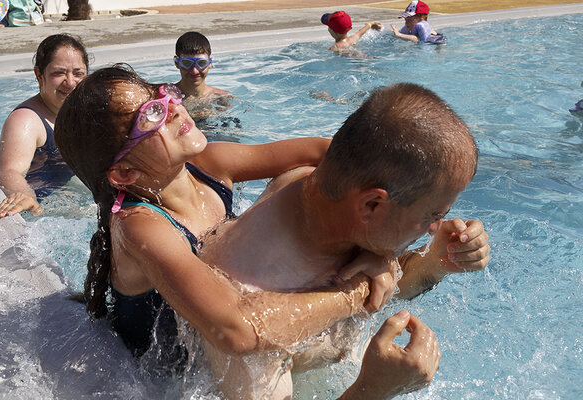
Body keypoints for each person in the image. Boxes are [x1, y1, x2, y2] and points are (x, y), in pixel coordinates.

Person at [54, 65, 440, 399]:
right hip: (171, 377)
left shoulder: (208, 164)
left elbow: (335, 157)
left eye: (162, 95)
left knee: (314, 200)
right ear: (124, 174)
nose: (173, 109)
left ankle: (422, 267)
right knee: (264, 357)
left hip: (219, 332)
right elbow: (234, 331)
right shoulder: (139, 225)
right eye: (151, 115)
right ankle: (373, 373)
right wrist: (353, 293)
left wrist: (389, 232)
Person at [199, 83, 490, 399]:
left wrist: (436, 262)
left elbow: (381, 288)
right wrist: (372, 390)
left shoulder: (335, 198)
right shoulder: (252, 310)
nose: (436, 227)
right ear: (372, 205)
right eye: (432, 214)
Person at [0, 33, 89, 219]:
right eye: (59, 73)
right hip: (43, 207)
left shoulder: (84, 112)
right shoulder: (26, 120)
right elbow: (8, 173)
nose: (70, 82)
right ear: (39, 75)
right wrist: (29, 200)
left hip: (67, 196)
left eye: (78, 74)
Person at [173, 31, 232, 121]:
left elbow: (231, 127)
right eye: (187, 63)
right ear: (177, 63)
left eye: (201, 63)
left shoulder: (222, 97)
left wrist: (214, 114)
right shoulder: (167, 97)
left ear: (210, 63)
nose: (194, 70)